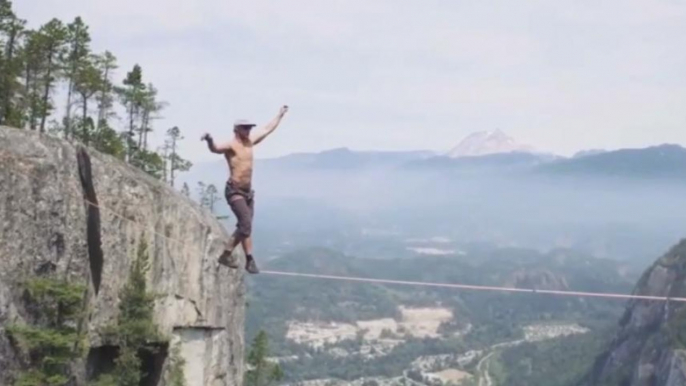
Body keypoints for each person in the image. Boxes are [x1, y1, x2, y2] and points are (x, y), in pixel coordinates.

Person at [201, 105, 289, 274]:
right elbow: (215, 149)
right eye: (245, 128)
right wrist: (209, 139)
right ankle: (226, 254)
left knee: (246, 227)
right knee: (245, 225)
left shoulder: (250, 142)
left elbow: (267, 129)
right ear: (237, 129)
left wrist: (280, 115)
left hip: (247, 192)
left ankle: (249, 260)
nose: (249, 130)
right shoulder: (231, 145)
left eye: (250, 128)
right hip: (234, 190)